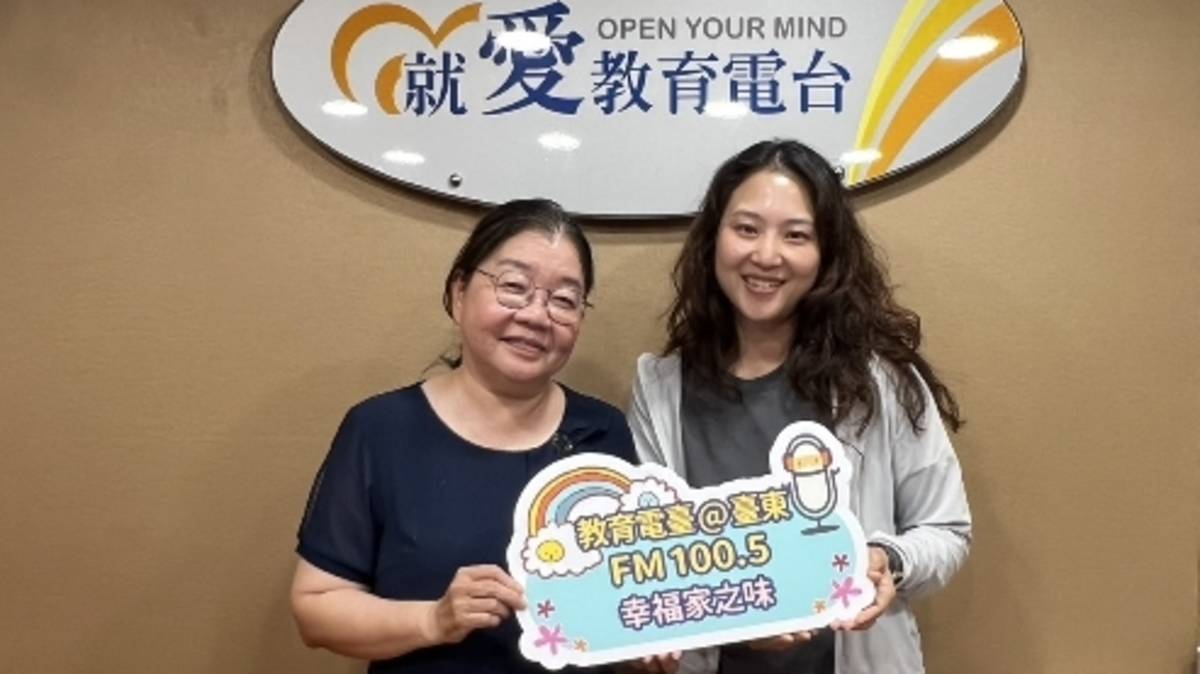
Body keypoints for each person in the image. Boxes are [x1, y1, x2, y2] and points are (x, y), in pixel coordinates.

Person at [628, 140, 971, 674]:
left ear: (827, 253)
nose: (767, 255)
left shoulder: (879, 380)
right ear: (714, 237)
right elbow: (648, 559)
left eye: (796, 235)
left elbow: (947, 530)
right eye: (746, 229)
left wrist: (887, 559)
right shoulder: (660, 389)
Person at [291, 198, 638, 674]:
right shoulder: (381, 429)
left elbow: (627, 596)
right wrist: (433, 620)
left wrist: (649, 642)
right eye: (513, 287)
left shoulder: (605, 431)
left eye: (564, 300)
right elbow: (316, 607)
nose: (537, 315)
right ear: (459, 292)